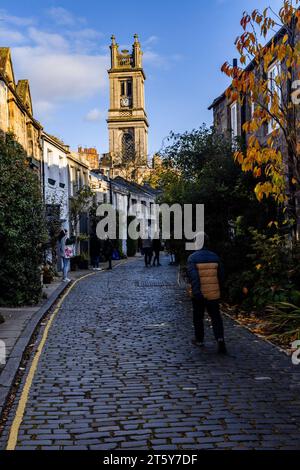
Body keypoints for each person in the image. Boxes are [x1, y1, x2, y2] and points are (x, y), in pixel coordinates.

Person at [187, 233, 227, 354]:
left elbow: (193, 278)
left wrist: (196, 292)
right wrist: (220, 290)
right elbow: (221, 276)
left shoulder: (192, 258)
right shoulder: (215, 256)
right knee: (216, 318)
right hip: (214, 294)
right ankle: (220, 340)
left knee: (198, 318)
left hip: (199, 295)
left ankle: (199, 339)